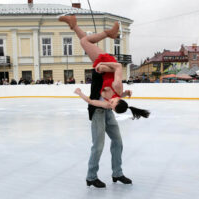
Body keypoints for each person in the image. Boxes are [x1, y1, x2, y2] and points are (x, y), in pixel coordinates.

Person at [59, 15, 147, 188]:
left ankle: (117, 173)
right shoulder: (114, 85)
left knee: (118, 142)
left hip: (104, 107)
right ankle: (91, 177)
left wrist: (122, 97)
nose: (114, 102)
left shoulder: (111, 101)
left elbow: (101, 100)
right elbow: (103, 98)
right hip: (99, 110)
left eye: (115, 104)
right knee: (98, 146)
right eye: (115, 102)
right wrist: (123, 93)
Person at [60, 15, 149, 119]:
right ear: (118, 100)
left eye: (112, 107)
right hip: (108, 64)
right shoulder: (117, 87)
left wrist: (79, 93)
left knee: (85, 41)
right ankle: (108, 33)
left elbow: (90, 101)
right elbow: (118, 66)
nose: (110, 104)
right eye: (113, 103)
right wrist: (103, 65)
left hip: (103, 69)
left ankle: (73, 25)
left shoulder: (109, 103)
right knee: (84, 42)